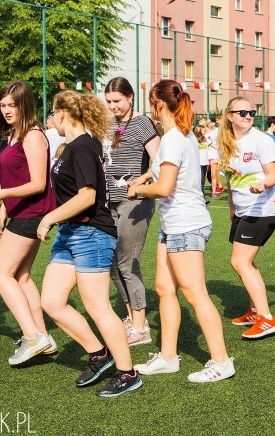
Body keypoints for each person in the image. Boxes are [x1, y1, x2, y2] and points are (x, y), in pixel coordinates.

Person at [129, 80, 235, 382]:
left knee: (195, 294)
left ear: (158, 104)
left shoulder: (175, 138)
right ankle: (168, 357)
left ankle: (221, 361)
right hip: (173, 224)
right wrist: (144, 177)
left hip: (185, 224)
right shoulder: (178, 135)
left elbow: (165, 187)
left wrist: (139, 191)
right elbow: (164, 170)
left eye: (150, 102)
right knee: (164, 288)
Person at [39, 90, 141, 397]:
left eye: (52, 113)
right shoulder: (74, 146)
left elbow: (87, 196)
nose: (51, 119)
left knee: (97, 306)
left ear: (63, 114)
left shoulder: (82, 147)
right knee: (52, 302)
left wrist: (48, 218)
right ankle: (99, 353)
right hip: (70, 233)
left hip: (91, 234)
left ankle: (128, 373)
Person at [0, 82, 57, 366]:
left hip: (32, 213)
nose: (7, 110)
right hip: (21, 212)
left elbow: (38, 183)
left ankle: (33, 337)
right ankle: (42, 336)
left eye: (13, 105)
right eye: (3, 105)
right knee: (21, 276)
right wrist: (4, 208)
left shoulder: (32, 135)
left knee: (0, 273)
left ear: (25, 105)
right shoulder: (14, 134)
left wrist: (0, 195)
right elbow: (16, 177)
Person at [218, 98, 275, 339]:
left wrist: (262, 185)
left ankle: (266, 318)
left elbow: (273, 175)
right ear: (230, 115)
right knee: (245, 263)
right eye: (242, 112)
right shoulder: (226, 142)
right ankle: (255, 311)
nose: (248, 116)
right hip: (243, 211)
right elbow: (230, 180)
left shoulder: (261, 140)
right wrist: (232, 207)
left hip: (261, 211)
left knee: (240, 262)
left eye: (251, 112)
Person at [103, 77, 159, 347]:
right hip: (109, 202)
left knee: (128, 262)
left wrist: (141, 181)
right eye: (109, 101)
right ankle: (131, 317)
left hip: (135, 202)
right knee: (113, 264)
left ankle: (140, 326)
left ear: (130, 97)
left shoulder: (143, 123)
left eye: (117, 100)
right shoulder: (108, 124)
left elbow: (159, 162)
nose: (113, 106)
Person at [205, 118, 223, 198]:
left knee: (213, 174)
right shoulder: (204, 132)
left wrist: (220, 121)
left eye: (210, 122)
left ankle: (214, 192)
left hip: (214, 156)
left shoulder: (216, 131)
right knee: (204, 175)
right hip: (204, 156)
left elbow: (222, 128)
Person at [194, 124, 210, 203]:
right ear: (199, 131)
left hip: (205, 163)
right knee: (201, 181)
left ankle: (201, 197)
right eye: (203, 130)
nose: (205, 132)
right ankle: (202, 198)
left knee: (203, 181)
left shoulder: (206, 139)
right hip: (198, 163)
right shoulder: (195, 140)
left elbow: (213, 144)